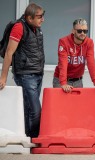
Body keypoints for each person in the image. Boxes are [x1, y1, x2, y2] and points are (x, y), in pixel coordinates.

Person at [0, 3, 45, 138]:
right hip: (25, 75)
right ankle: (33, 139)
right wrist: (3, 77)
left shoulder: (37, 28)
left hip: (38, 74)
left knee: (29, 109)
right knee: (36, 111)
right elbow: (9, 53)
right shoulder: (19, 27)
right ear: (29, 18)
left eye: (43, 15)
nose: (43, 19)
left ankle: (26, 139)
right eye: (39, 17)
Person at [53, 18, 95, 93]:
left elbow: (91, 63)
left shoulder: (89, 42)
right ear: (73, 31)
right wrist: (63, 83)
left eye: (85, 31)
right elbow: (63, 63)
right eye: (79, 31)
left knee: (76, 104)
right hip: (61, 80)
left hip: (78, 80)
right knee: (61, 104)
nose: (83, 33)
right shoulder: (64, 42)